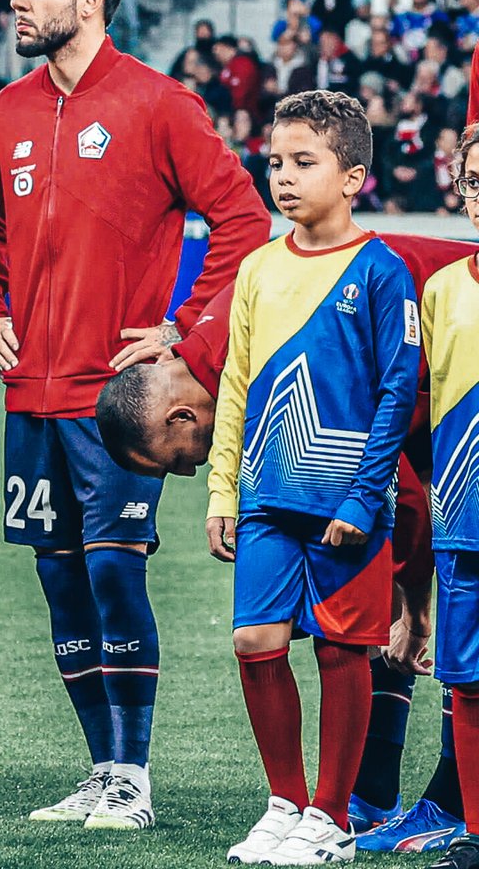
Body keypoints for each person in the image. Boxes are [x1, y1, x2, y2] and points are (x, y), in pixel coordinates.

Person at [0, 0, 270, 830]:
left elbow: (242, 223)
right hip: (31, 398)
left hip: (116, 401)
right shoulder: (6, 112)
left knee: (113, 575)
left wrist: (186, 330)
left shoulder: (160, 103)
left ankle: (131, 778)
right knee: (61, 581)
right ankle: (101, 769)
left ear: (88, 1)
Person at [97, 228, 477, 854]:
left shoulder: (266, 339)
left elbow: (405, 467)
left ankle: (447, 802)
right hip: (432, 374)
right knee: (338, 630)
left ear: (179, 418)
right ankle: (369, 797)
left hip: (454, 356)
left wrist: (414, 598)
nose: (190, 471)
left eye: (176, 461)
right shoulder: (233, 320)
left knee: (451, 592)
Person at [207, 90, 421, 865]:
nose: (285, 178)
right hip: (267, 495)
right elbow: (235, 383)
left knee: (341, 650)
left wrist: (366, 498)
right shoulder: (259, 267)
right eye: (274, 163)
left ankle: (331, 818)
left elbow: (398, 393)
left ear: (353, 175)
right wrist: (222, 490)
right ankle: (284, 803)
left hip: (346, 503)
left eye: (305, 162)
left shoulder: (382, 271)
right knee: (255, 641)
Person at [420, 130, 479, 869]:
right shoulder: (440, 290)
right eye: (473, 182)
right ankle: (473, 834)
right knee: (467, 682)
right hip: (461, 521)